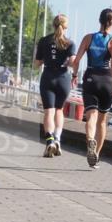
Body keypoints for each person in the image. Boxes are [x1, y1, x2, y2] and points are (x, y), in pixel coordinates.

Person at [71, 8, 112, 168]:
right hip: (107, 80)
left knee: (90, 116)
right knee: (102, 120)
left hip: (91, 78)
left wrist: (74, 75)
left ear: (99, 20)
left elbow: (76, 60)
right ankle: (96, 156)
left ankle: (90, 140)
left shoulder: (88, 38)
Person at [34, 14, 76, 157]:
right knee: (59, 110)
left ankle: (49, 141)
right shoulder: (70, 43)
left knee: (48, 112)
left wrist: (45, 57)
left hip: (48, 78)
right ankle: (57, 138)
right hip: (63, 79)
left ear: (53, 25)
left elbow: (37, 64)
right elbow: (73, 62)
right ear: (66, 26)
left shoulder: (44, 41)